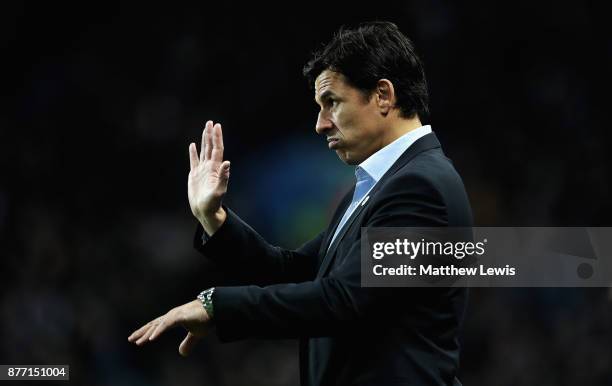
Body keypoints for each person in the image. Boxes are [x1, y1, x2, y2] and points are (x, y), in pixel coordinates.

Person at [129, 21, 472, 386]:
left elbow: (342, 300)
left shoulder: (420, 187)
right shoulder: (382, 185)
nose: (320, 124)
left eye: (332, 103)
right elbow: (294, 273)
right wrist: (213, 217)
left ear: (383, 96)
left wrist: (217, 307)